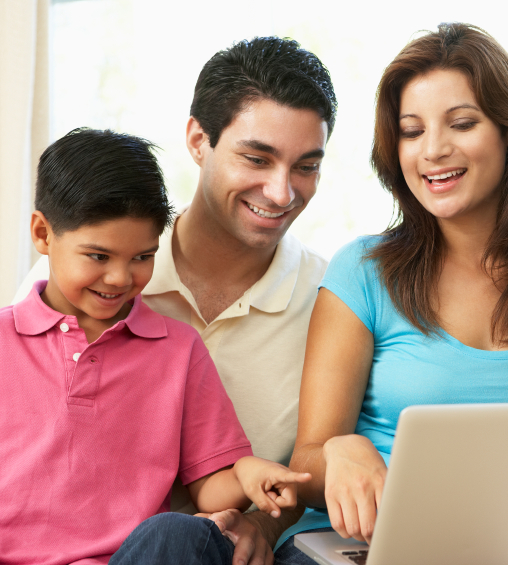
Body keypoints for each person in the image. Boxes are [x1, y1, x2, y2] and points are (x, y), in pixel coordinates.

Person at [14, 37, 337, 565]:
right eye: (257, 157)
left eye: (306, 166)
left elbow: (289, 472)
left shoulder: (329, 300)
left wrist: (261, 514)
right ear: (198, 140)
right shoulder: (64, 276)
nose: (281, 192)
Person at [274, 22, 508, 563]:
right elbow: (306, 462)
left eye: (462, 123)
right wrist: (341, 451)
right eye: (412, 130)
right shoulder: (364, 270)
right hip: (355, 546)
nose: (434, 151)